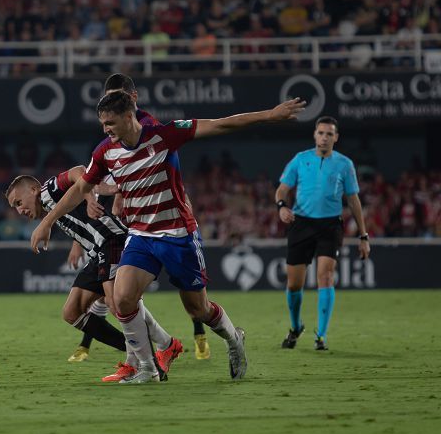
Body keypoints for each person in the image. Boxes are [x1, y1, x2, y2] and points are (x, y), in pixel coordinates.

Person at [31, 90, 306, 383]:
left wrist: (270, 115)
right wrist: (47, 220)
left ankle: (232, 338)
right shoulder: (104, 152)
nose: (106, 130)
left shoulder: (165, 135)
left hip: (177, 235)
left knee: (198, 309)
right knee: (122, 299)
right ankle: (146, 368)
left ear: (128, 116)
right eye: (102, 124)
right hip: (140, 235)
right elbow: (80, 187)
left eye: (110, 123)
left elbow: (222, 123)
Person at [8, 169, 183, 382]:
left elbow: (79, 172)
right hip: (97, 251)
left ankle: (145, 362)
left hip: (112, 240)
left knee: (118, 303)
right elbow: (79, 198)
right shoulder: (50, 203)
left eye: (18, 202)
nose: (19, 210)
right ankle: (157, 347)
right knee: (72, 312)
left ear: (33, 189)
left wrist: (83, 202)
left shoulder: (47, 191)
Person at [101, 73, 212, 361]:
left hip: (172, 217)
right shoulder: (112, 132)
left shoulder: (151, 127)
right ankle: (142, 360)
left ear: (133, 99)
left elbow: (149, 164)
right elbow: (120, 166)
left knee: (194, 301)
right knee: (125, 295)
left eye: (119, 96)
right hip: (142, 226)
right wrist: (120, 193)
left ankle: (197, 334)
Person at [275, 116, 370, 351]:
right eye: (321, 133)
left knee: (325, 276)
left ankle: (321, 335)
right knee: (295, 284)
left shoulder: (344, 164)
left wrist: (363, 235)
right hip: (301, 224)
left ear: (336, 137)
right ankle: (296, 327)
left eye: (329, 134)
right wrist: (281, 207)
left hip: (330, 226)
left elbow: (353, 200)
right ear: (315, 135)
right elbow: (282, 189)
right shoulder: (300, 160)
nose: (324, 137)